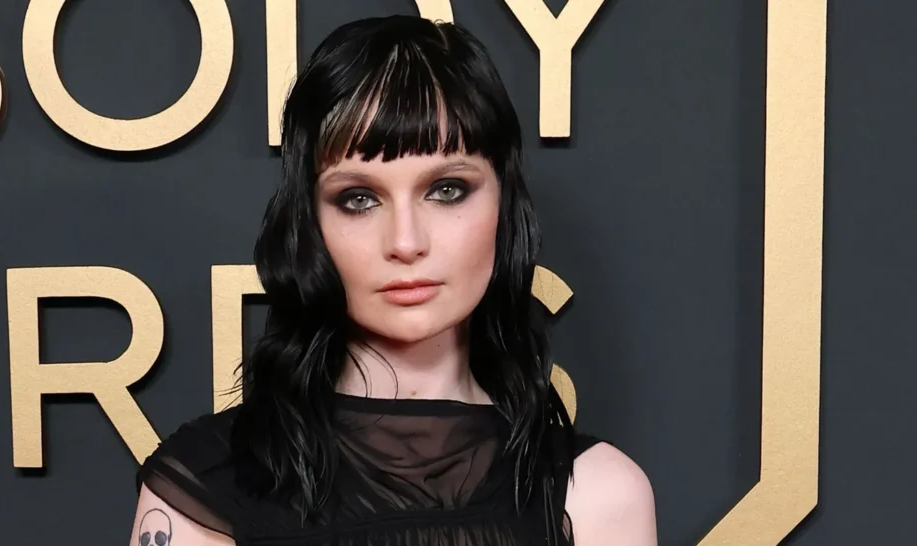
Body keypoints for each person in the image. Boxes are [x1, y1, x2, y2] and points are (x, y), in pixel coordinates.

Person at [128, 14, 656, 546]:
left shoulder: (596, 494)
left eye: (446, 190)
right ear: (310, 222)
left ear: (504, 204)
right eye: (359, 199)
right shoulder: (204, 488)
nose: (405, 242)